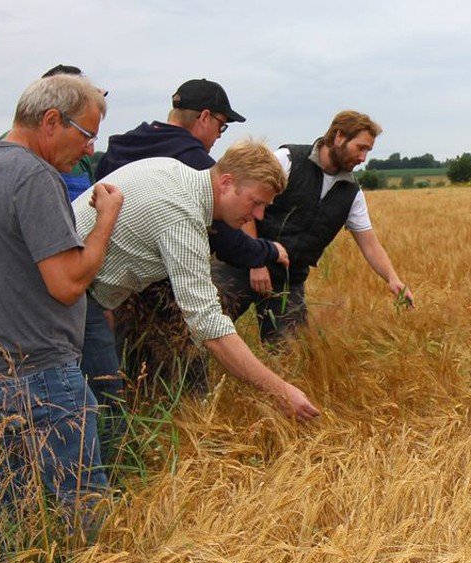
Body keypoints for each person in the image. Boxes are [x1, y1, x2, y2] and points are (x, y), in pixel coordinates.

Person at [0, 74, 123, 533]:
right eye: (86, 135)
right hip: (38, 372)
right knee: (82, 509)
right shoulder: (35, 176)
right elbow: (67, 282)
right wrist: (106, 221)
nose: (88, 150)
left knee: (6, 510)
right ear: (51, 120)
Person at [74, 141, 320, 429]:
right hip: (67, 297)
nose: (259, 216)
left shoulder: (174, 171)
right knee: (105, 414)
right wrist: (280, 390)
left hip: (78, 292)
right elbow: (209, 325)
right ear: (226, 182)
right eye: (256, 202)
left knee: (95, 403)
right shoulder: (182, 217)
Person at [88, 79, 288, 400]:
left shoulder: (128, 148)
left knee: (119, 387)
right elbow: (226, 244)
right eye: (221, 128)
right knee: (182, 387)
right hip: (156, 298)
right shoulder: (193, 170)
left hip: (104, 289)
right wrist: (265, 252)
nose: (217, 139)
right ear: (204, 118)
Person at [211, 110, 415, 344]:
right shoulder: (287, 159)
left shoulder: (351, 192)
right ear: (339, 137)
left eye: (367, 150)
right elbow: (246, 204)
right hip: (239, 263)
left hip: (288, 279)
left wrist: (392, 278)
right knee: (199, 331)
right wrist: (255, 260)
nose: (363, 158)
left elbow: (369, 242)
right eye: (361, 148)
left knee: (290, 355)